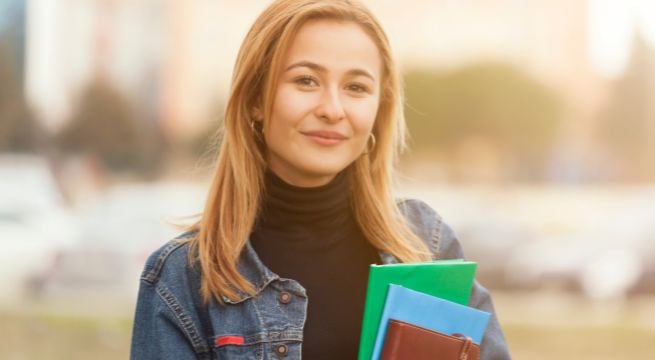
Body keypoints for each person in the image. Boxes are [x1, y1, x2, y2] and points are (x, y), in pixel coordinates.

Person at [130, 0, 511, 359]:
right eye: (306, 81)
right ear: (255, 101)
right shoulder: (181, 278)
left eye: (356, 87)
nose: (332, 109)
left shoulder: (425, 244)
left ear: (379, 109)